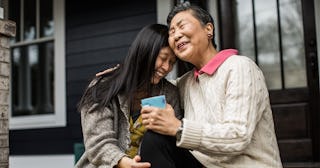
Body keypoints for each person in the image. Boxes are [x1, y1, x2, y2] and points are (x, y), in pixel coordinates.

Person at [140, 3, 283, 168]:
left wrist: (178, 128)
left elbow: (238, 136)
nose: (176, 35)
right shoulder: (185, 83)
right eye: (172, 32)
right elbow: (148, 83)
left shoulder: (240, 67)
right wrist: (118, 74)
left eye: (181, 26)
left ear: (209, 29)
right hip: (204, 164)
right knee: (155, 138)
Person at [75, 24, 183, 168]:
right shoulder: (103, 87)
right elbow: (97, 143)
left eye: (172, 63)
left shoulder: (169, 94)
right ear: (145, 52)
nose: (166, 68)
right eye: (163, 58)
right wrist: (123, 162)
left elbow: (171, 145)